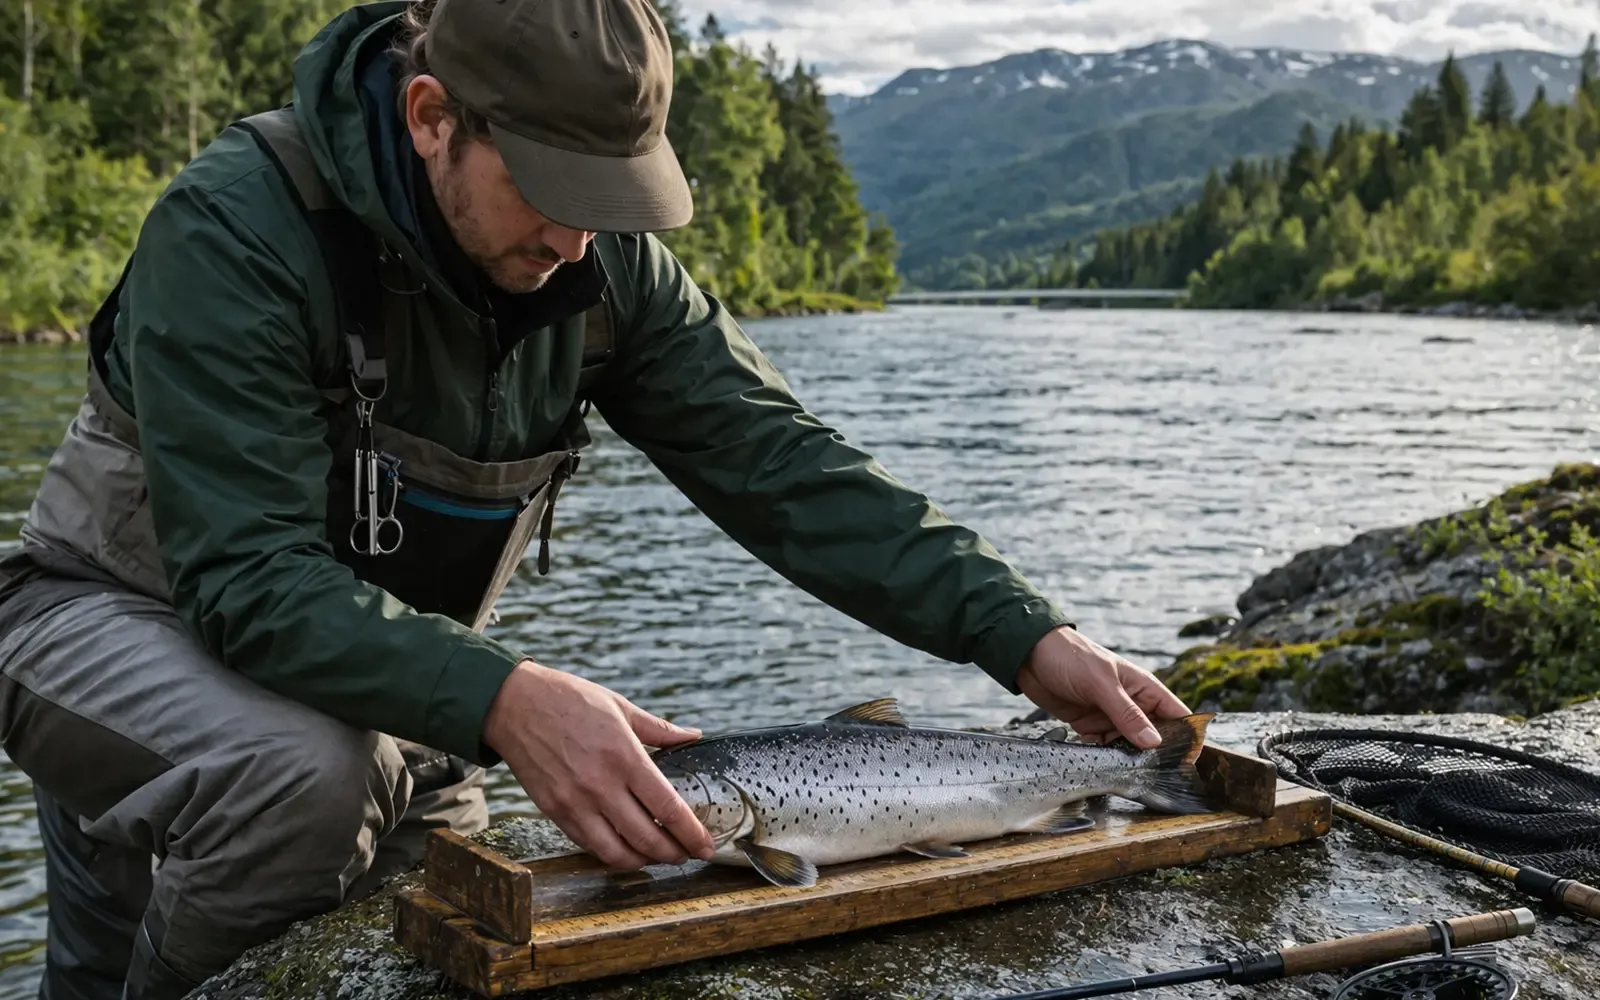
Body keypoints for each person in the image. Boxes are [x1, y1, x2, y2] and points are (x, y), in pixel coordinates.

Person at [0, 1, 1192, 997]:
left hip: (380, 695)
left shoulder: (600, 262)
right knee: (301, 786)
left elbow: (783, 465)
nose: (578, 237)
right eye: (552, 188)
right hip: (105, 627)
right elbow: (245, 580)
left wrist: (1022, 633)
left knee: (438, 923)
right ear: (430, 121)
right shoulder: (236, 230)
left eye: (609, 196)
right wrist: (508, 697)